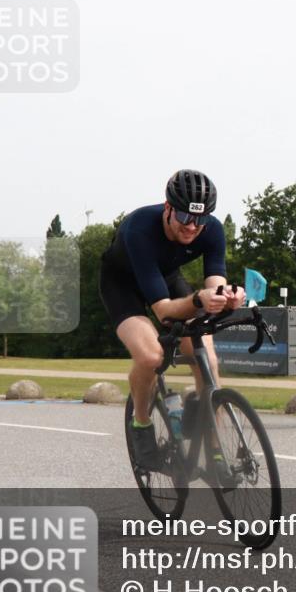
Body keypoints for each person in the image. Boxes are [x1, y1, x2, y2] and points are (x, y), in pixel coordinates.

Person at [99, 169, 245, 473]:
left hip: (166, 278)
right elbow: (164, 311)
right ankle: (141, 424)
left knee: (207, 359)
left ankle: (215, 452)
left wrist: (228, 296)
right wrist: (199, 300)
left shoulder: (212, 229)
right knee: (151, 356)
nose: (192, 226)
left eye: (200, 219)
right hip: (122, 285)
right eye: (184, 216)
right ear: (168, 207)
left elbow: (215, 283)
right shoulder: (140, 228)